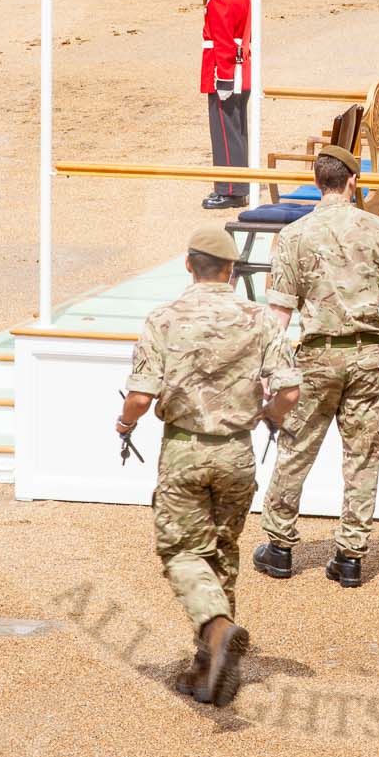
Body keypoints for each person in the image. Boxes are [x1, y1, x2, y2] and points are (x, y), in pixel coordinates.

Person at [116, 226, 299, 707]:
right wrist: (267, 417)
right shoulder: (261, 320)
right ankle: (211, 668)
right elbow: (290, 392)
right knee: (222, 553)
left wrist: (123, 423)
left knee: (179, 551)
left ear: (187, 264)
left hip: (185, 450)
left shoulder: (164, 318)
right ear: (232, 270)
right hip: (237, 451)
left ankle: (216, 631)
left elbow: (139, 396)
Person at [252, 145, 379, 590]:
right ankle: (351, 555)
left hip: (317, 355)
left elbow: (279, 312)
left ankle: (280, 547)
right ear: (352, 181)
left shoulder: (295, 235)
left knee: (296, 447)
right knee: (363, 456)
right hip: (365, 353)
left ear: (319, 182)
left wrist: (270, 366)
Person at [198, 0, 253, 211]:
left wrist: (223, 80)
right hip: (241, 70)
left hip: (225, 72)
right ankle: (237, 186)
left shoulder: (221, 0)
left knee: (224, 132)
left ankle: (229, 189)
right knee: (237, 131)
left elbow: (221, 44)